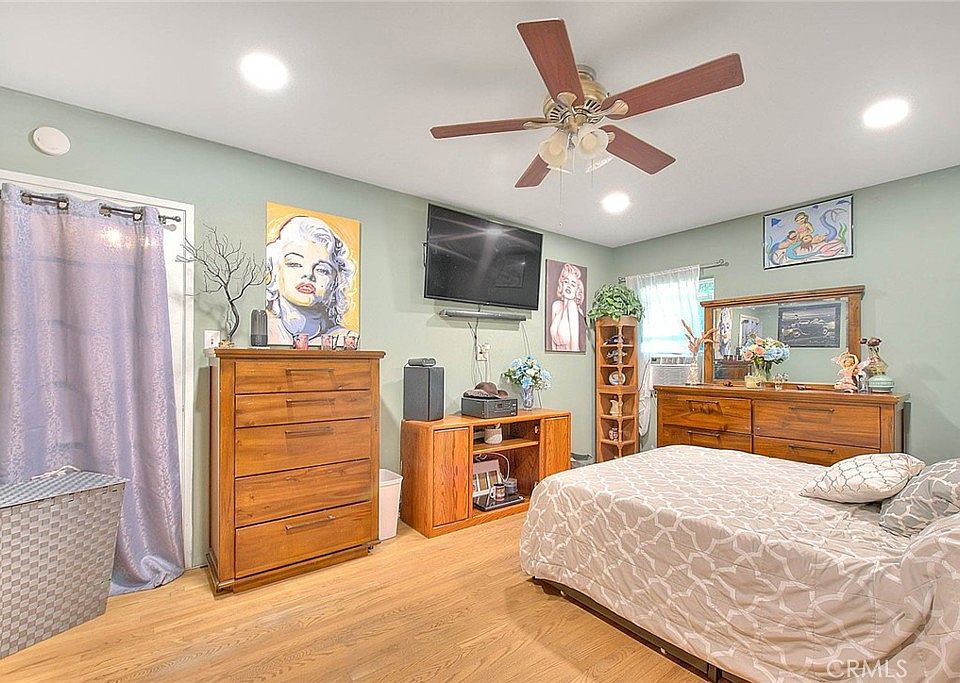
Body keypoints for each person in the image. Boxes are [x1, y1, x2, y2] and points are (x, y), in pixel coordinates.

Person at [265, 216, 357, 344]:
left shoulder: (345, 339)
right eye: (294, 264)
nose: (308, 274)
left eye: (322, 270)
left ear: (335, 282)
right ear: (275, 271)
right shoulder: (266, 332)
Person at [549, 263, 585, 351]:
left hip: (571, 356)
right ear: (562, 284)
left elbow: (574, 344)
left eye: (573, 284)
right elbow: (553, 344)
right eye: (566, 282)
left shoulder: (572, 306)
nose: (568, 286)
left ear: (577, 290)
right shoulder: (556, 306)